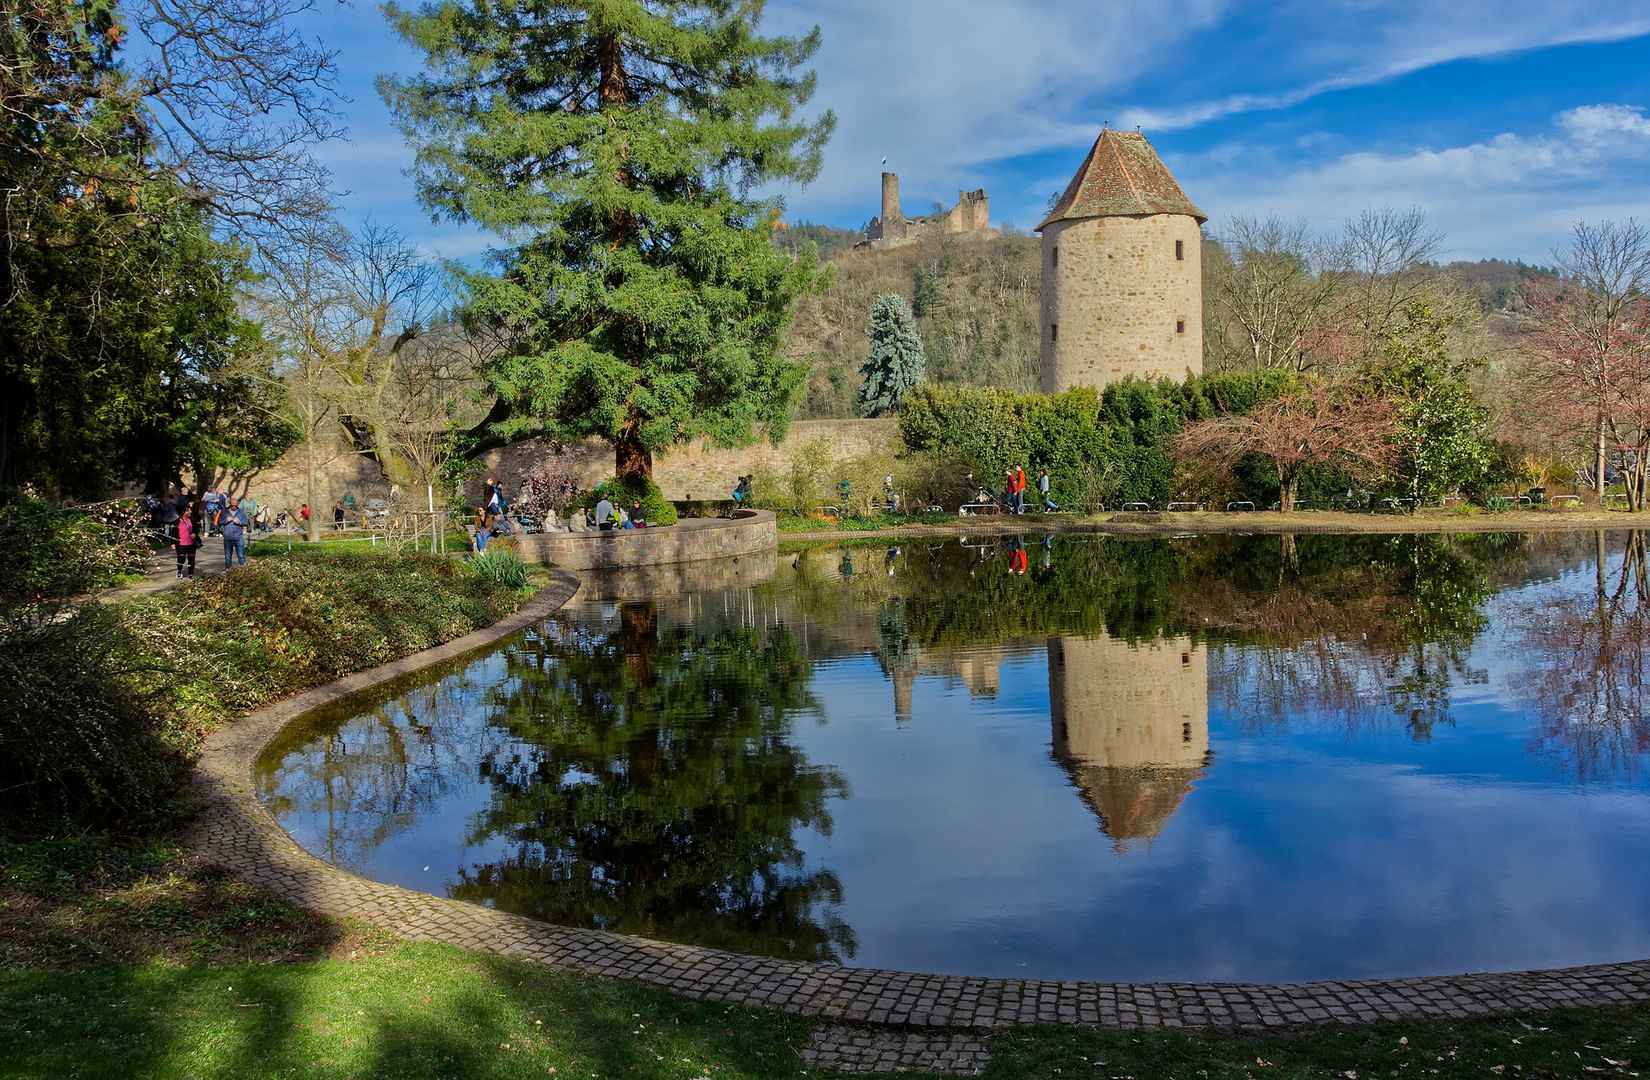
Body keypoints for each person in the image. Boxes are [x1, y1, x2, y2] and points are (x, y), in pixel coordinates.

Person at [221, 498, 249, 569]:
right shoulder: (224, 511)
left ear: (237, 505)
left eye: (235, 506)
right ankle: (228, 570)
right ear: (229, 504)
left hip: (238, 537)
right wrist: (226, 520)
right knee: (228, 557)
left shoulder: (241, 512)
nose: (234, 507)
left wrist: (239, 522)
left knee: (241, 556)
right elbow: (219, 522)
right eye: (232, 506)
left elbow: (246, 522)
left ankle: (243, 570)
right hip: (228, 537)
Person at [175, 498, 198, 578]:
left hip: (191, 543)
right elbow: (174, 533)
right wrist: (172, 543)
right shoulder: (177, 521)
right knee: (181, 559)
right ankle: (179, 571)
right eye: (187, 511)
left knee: (191, 559)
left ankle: (191, 573)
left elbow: (196, 528)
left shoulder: (192, 520)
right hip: (181, 543)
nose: (189, 512)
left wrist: (194, 534)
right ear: (183, 512)